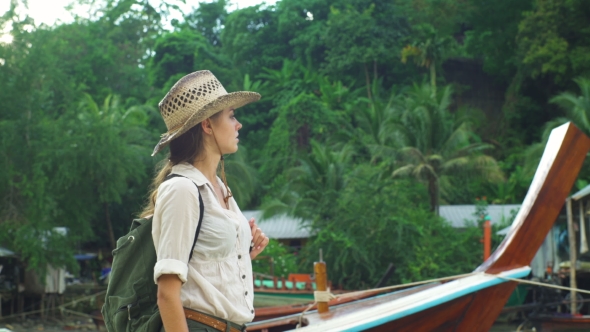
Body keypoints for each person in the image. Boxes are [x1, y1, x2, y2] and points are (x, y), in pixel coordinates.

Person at [139, 70, 270, 332]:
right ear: (207, 126)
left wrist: (242, 251)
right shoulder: (182, 190)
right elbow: (167, 294)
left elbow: (204, 275)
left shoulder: (219, 188)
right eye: (231, 116)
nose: (238, 124)